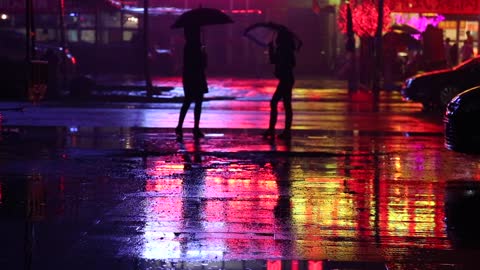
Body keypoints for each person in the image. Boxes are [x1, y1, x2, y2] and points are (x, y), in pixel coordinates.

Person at [263, 29, 297, 140]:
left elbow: (273, 60)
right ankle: (284, 130)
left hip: (285, 79)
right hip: (287, 78)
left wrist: (271, 48)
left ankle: (273, 129)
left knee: (275, 102)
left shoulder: (283, 49)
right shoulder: (287, 49)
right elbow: (291, 63)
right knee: (286, 105)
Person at [175, 26, 208, 139]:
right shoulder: (193, 47)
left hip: (191, 76)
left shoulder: (189, 46)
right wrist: (203, 54)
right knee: (195, 102)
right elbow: (202, 64)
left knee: (189, 101)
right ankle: (193, 127)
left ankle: (182, 126)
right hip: (195, 76)